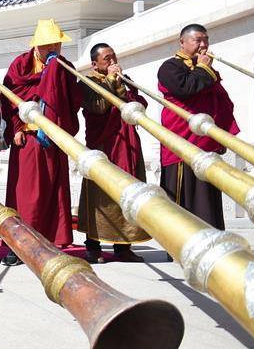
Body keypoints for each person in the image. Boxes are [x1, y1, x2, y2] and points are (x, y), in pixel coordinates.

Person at [2, 19, 82, 265]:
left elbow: (72, 100)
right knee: (26, 196)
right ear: (36, 46)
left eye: (56, 46)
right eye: (47, 46)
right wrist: (16, 127)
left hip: (54, 138)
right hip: (28, 138)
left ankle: (50, 243)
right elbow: (8, 97)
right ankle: (19, 245)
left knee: (54, 193)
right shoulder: (20, 66)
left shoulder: (64, 66)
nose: (53, 50)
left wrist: (56, 73)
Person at [157, 23, 239, 230]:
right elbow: (187, 89)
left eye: (206, 40)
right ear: (182, 43)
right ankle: (180, 243)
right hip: (181, 145)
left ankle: (211, 241)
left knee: (208, 201)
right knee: (183, 200)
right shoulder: (170, 67)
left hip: (206, 144)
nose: (203, 45)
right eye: (198, 40)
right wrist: (204, 68)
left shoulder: (206, 69)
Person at [77, 43, 149, 263]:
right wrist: (110, 82)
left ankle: (123, 246)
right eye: (106, 58)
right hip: (103, 145)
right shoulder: (86, 82)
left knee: (127, 190)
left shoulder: (125, 79)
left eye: (113, 57)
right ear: (95, 63)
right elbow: (97, 106)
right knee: (99, 195)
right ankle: (93, 246)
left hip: (126, 144)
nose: (112, 62)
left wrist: (122, 86)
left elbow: (139, 106)